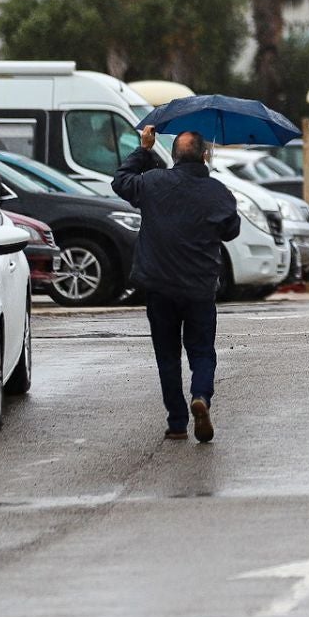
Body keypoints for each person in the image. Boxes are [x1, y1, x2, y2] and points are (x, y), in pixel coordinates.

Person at [113, 127, 240, 443]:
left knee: (167, 355)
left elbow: (120, 181)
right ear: (205, 155)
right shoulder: (218, 192)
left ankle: (176, 422)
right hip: (199, 288)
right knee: (202, 352)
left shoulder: (152, 183)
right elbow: (231, 231)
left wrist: (144, 150)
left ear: (173, 155)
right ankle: (201, 396)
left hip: (159, 286)